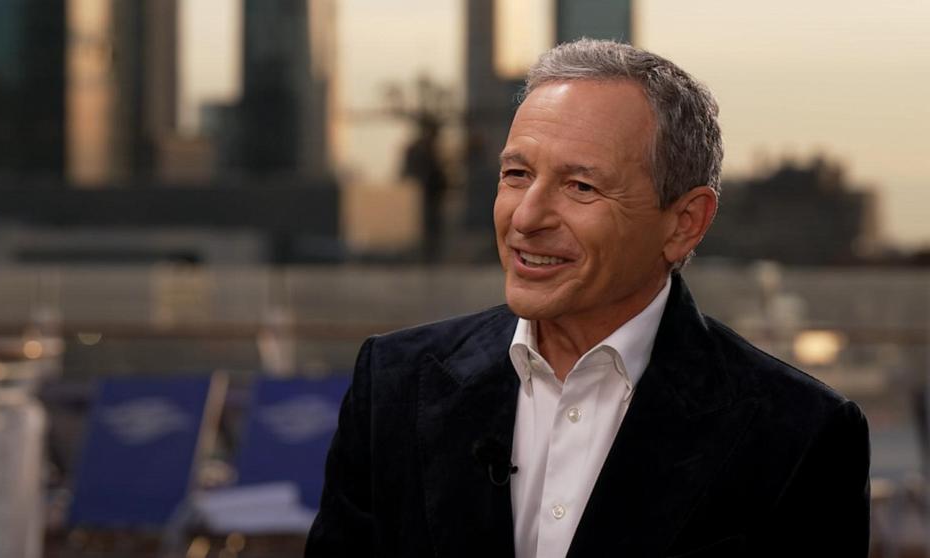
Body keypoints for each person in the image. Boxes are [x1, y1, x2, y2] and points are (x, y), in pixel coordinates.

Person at [306, 39, 870, 558]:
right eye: (517, 174)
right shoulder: (394, 384)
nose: (526, 218)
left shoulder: (800, 435)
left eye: (581, 187)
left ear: (683, 223)